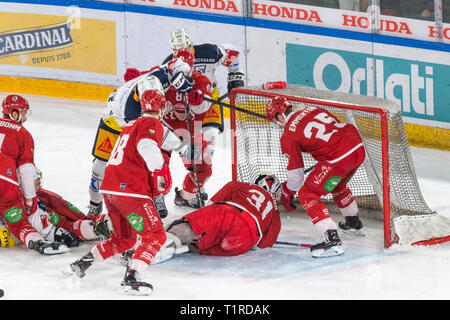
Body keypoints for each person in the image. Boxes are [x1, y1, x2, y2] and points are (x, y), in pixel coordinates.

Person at [66, 76, 173, 296]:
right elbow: (146, 146)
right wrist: (160, 170)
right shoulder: (151, 123)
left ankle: (82, 263)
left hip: (110, 190)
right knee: (156, 236)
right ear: (160, 106)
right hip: (130, 191)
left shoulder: (130, 125)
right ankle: (131, 277)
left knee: (124, 240)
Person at [88, 55, 195, 218]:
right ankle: (94, 204)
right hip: (112, 124)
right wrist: (182, 147)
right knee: (99, 168)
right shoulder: (131, 111)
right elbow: (156, 133)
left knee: (152, 161)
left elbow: (175, 64)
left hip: (133, 120)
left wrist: (181, 75)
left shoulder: (156, 78)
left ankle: (157, 195)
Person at [265, 96, 366, 258]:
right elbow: (331, 128)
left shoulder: (288, 135)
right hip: (357, 147)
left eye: (275, 120)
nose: (277, 124)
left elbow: (296, 178)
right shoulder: (312, 109)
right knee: (336, 184)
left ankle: (330, 238)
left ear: (280, 115)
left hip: (338, 157)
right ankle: (352, 221)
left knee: (307, 193)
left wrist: (286, 191)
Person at [0, 94, 68, 254]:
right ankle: (38, 243)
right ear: (14, 113)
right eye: (23, 114)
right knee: (19, 223)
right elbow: (26, 170)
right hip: (4, 182)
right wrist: (29, 200)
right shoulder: (22, 133)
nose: (25, 119)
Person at [165, 173, 282, 257]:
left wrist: (199, 218)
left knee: (189, 228)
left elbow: (211, 204)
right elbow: (266, 244)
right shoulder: (274, 210)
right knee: (206, 244)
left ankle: (165, 242)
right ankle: (194, 242)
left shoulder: (243, 185)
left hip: (230, 214)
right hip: (245, 240)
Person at [161, 48, 214, 209]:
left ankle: (185, 196)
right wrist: (135, 77)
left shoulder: (202, 81)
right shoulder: (164, 75)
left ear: (192, 66)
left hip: (190, 132)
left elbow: (204, 108)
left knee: (204, 170)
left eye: (187, 68)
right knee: (157, 168)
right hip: (165, 129)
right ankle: (156, 199)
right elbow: (146, 79)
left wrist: (198, 102)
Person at [28, 168, 111, 247]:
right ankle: (99, 228)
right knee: (71, 226)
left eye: (39, 183)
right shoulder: (27, 200)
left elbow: (65, 207)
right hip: (54, 227)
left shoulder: (43, 194)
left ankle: (111, 221)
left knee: (81, 220)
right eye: (37, 183)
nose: (40, 185)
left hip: (59, 224)